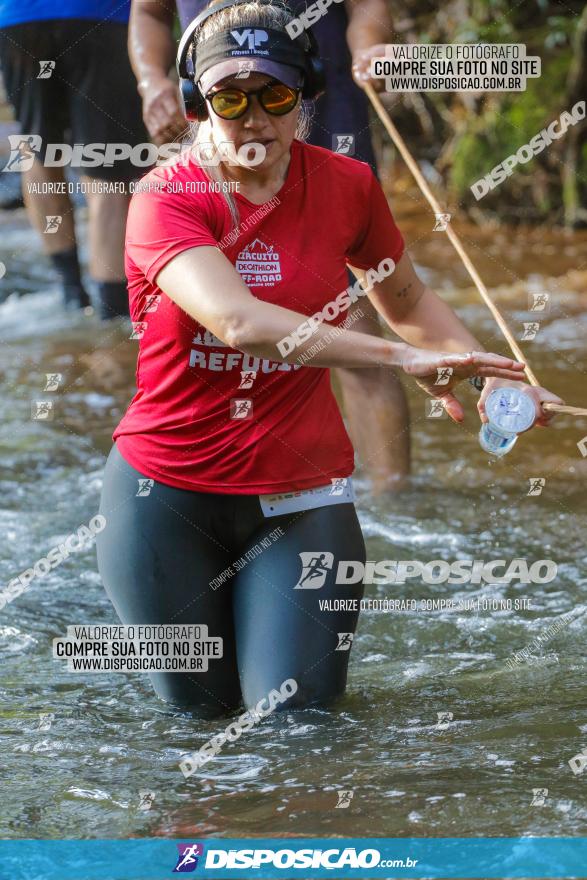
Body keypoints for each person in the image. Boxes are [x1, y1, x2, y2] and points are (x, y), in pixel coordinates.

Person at [96, 0, 563, 717]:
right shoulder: (166, 198)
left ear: (307, 96)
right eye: (228, 97)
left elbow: (409, 306)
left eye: (274, 95)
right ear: (197, 104)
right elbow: (237, 321)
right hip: (165, 499)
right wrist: (399, 358)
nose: (253, 117)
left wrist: (494, 374)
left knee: (300, 727)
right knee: (199, 730)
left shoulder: (347, 186)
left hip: (303, 498)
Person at [128, 0, 411, 491]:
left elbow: (366, 5)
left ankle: (395, 501)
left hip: (314, 93)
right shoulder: (167, 188)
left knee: (356, 311)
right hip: (217, 94)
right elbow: (150, 12)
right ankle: (220, 475)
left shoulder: (347, 176)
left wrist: (368, 42)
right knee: (203, 323)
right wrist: (152, 80)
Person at [0, 0, 148, 318]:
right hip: (99, 15)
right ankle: (111, 310)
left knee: (37, 148)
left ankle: (71, 295)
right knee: (106, 160)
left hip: (17, 16)